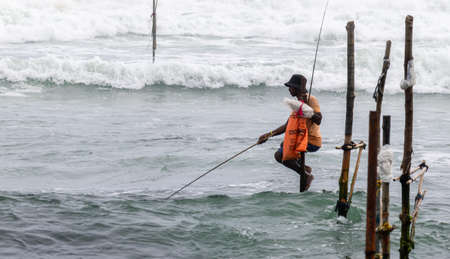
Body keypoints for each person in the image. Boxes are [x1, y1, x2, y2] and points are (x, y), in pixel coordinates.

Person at [257, 74, 322, 191]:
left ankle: (307, 176)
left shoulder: (310, 99)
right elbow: (288, 125)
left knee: (286, 158)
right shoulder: (296, 103)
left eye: (291, 87)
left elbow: (319, 119)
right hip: (300, 139)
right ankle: (304, 170)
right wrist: (268, 135)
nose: (289, 89)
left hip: (311, 141)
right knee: (279, 155)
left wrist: (306, 109)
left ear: (297, 88)